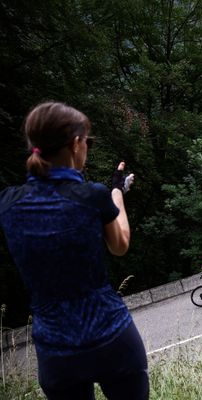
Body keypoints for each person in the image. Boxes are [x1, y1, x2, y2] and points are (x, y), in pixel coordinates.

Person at [0, 102, 149, 399]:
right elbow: (120, 245)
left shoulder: (7, 203)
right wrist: (117, 190)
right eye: (87, 141)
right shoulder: (92, 196)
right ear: (75, 144)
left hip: (55, 350)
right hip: (111, 336)